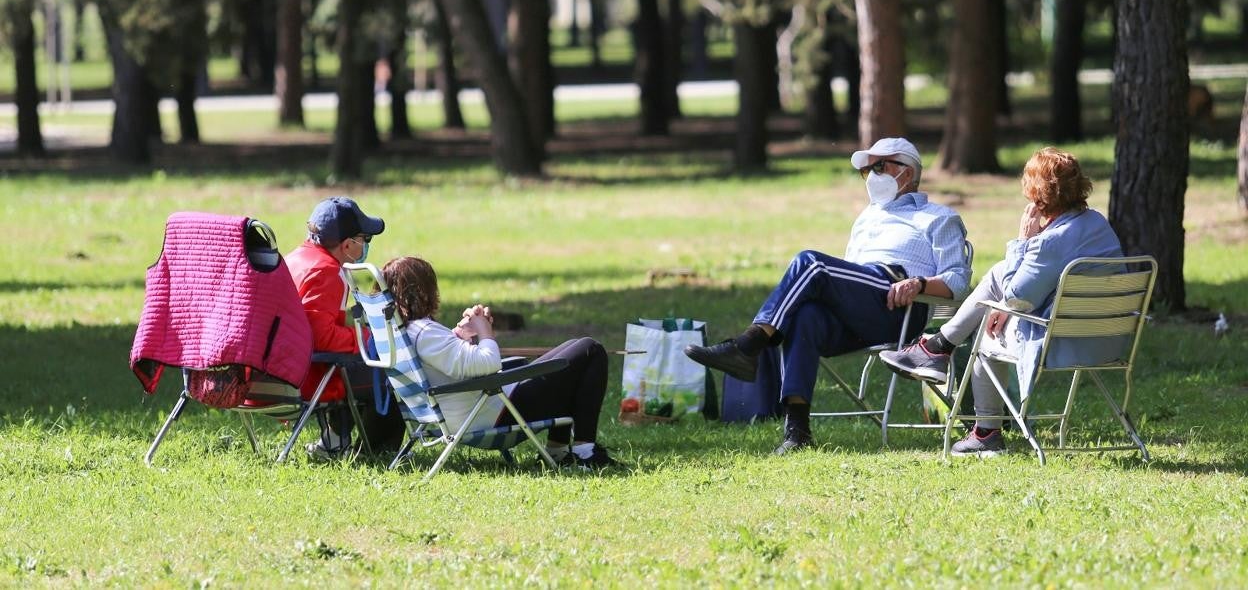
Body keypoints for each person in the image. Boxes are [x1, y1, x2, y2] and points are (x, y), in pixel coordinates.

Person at [685, 138, 972, 454]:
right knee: (806, 316)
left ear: (907, 171)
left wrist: (919, 284)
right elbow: (849, 273)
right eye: (866, 172)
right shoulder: (867, 217)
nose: (871, 177)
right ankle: (798, 432)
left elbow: (957, 283)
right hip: (859, 304)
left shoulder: (938, 217)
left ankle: (748, 345)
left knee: (811, 262)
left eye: (879, 167)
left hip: (901, 306)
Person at [880, 147, 1124, 458]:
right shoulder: (1097, 225)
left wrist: (1024, 241)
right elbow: (1028, 293)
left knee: (985, 333)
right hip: (1110, 338)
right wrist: (1005, 305)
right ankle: (937, 349)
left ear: (1037, 195)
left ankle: (985, 430)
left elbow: (1016, 294)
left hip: (1064, 343)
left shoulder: (1047, 243)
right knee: (997, 287)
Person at [382, 256, 617, 469]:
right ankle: (585, 453)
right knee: (590, 349)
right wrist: (485, 331)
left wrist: (461, 335)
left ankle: (558, 452)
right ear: (425, 291)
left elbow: (446, 361)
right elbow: (488, 364)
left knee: (569, 353)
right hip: (489, 414)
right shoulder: (425, 333)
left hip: (463, 410)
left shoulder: (402, 332)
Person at [286, 196, 403, 458]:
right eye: (365, 239)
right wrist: (367, 340)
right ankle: (376, 452)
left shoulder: (295, 258)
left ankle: (335, 440)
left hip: (284, 371)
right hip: (308, 376)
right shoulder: (327, 271)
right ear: (348, 245)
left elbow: (310, 322)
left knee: (361, 361)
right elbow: (321, 338)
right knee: (389, 370)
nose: (366, 245)